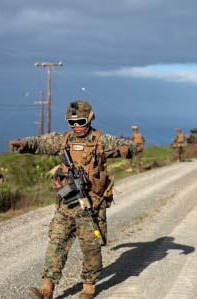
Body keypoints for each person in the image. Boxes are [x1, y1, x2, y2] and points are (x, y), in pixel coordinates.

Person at [9, 100, 135, 299]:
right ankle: (46, 289)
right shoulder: (64, 139)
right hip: (67, 201)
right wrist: (24, 144)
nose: (76, 126)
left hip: (91, 202)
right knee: (57, 241)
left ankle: (88, 286)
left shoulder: (102, 140)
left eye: (81, 121)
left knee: (90, 245)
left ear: (90, 118)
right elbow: (42, 142)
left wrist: (125, 150)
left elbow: (131, 146)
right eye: (71, 122)